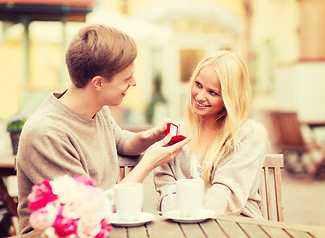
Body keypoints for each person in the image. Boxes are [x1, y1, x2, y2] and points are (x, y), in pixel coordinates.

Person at [16, 24, 190, 234]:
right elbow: (90, 209)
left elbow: (120, 142)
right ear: (98, 83)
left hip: (109, 227)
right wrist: (149, 162)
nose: (134, 82)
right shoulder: (46, 134)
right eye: (127, 78)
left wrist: (148, 137)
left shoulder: (97, 109)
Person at [154, 50, 267, 218]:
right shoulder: (176, 131)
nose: (199, 96)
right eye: (198, 84)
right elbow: (166, 186)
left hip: (235, 226)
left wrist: (199, 225)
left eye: (212, 92)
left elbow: (226, 192)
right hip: (182, 225)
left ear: (230, 98)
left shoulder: (248, 134)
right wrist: (177, 220)